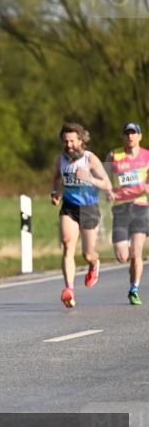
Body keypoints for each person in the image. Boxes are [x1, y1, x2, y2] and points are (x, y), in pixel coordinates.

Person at [51, 123, 112, 307]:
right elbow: (56, 178)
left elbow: (107, 184)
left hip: (89, 208)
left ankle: (94, 263)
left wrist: (89, 178)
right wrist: (55, 193)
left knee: (87, 253)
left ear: (81, 140)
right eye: (65, 141)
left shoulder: (90, 159)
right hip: (69, 207)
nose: (69, 145)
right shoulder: (60, 160)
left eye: (72, 141)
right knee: (68, 245)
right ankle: (69, 289)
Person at [104, 122, 149, 305]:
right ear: (123, 136)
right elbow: (104, 178)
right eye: (127, 133)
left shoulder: (147, 156)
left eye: (133, 133)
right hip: (121, 209)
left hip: (140, 207)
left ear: (139, 136)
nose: (130, 137)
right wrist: (108, 191)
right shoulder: (114, 155)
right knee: (123, 256)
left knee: (136, 253)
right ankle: (127, 254)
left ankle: (134, 289)